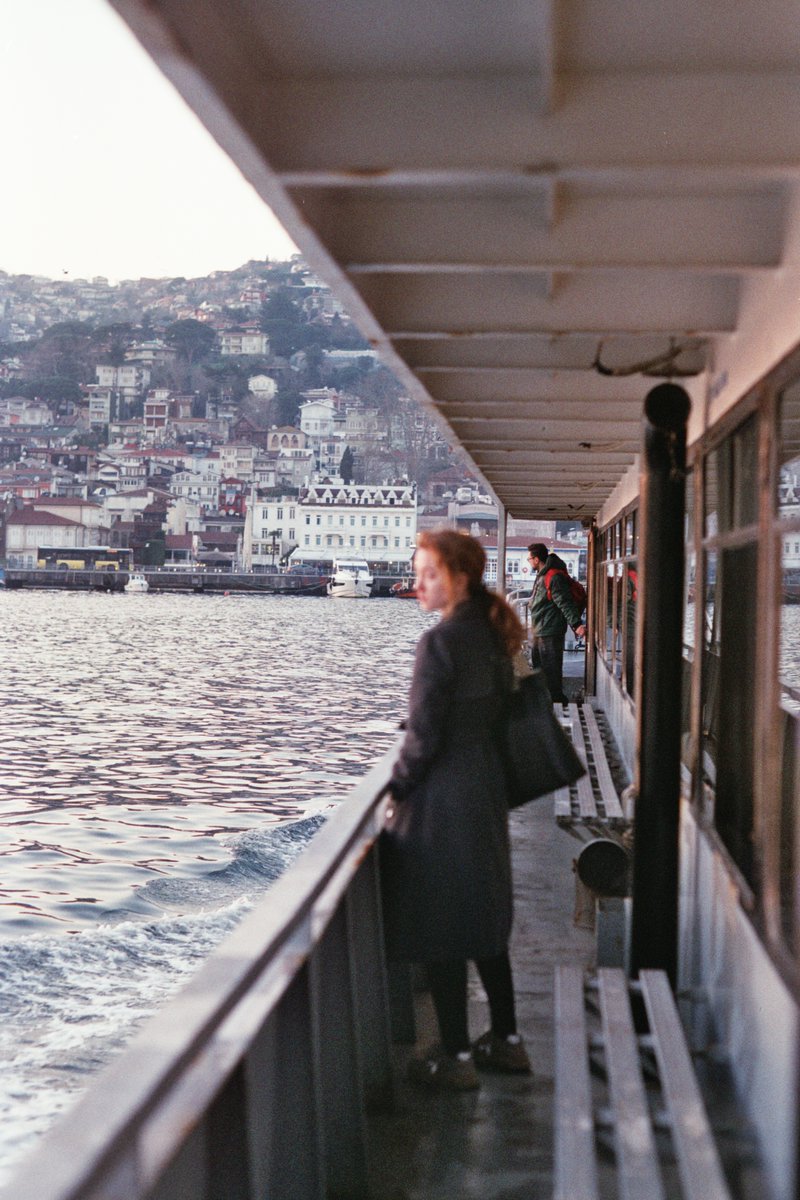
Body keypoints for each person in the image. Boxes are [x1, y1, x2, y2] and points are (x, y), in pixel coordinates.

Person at [380, 529, 531, 1091]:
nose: (419, 584)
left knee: (441, 921)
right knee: (485, 915)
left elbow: (422, 736)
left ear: (460, 578)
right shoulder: (493, 636)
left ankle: (457, 1056)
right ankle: (509, 1042)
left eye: (431, 574)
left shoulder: (439, 644)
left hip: (442, 797)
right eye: (418, 572)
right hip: (484, 789)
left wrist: (396, 789)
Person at [527, 543, 587, 704]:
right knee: (539, 669)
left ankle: (557, 702)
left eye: (529, 559)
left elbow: (564, 602)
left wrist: (577, 624)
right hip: (540, 630)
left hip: (550, 631)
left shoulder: (553, 576)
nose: (528, 562)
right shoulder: (542, 574)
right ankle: (545, 702)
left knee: (551, 671)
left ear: (536, 559)